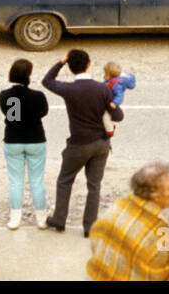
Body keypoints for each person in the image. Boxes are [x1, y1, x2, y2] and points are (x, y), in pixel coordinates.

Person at [43, 49, 122, 236]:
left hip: (78, 144)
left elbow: (47, 81)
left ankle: (59, 219)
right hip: (101, 144)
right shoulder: (102, 88)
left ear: (70, 68)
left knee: (65, 180)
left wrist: (61, 61)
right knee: (94, 186)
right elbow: (118, 116)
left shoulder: (68, 89)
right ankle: (89, 227)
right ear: (88, 64)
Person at [87, 162, 169, 281]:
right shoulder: (162, 228)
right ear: (154, 194)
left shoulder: (118, 206)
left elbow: (96, 233)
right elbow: (163, 264)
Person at [0, 58, 49, 230]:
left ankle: (15, 217)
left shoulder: (4, 95)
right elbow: (43, 112)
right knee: (37, 181)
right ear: (28, 75)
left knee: (15, 181)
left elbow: (7, 113)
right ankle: (41, 218)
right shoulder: (38, 96)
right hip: (35, 138)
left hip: (13, 139)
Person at [102, 61, 136, 136]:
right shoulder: (111, 81)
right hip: (107, 101)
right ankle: (111, 126)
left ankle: (109, 131)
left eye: (105, 74)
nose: (104, 75)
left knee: (105, 116)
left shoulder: (116, 84)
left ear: (110, 75)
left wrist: (115, 103)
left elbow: (120, 95)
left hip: (110, 103)